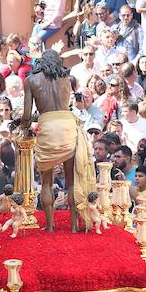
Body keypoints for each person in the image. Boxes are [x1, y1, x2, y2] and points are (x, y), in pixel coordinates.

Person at [18, 49, 95, 233]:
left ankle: (50, 226)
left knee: (46, 182)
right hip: (68, 125)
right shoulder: (67, 80)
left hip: (48, 128)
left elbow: (27, 115)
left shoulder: (31, 80)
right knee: (71, 181)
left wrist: (23, 125)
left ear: (41, 62)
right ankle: (75, 226)